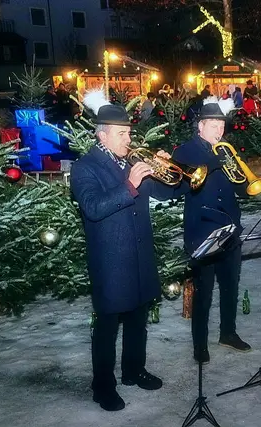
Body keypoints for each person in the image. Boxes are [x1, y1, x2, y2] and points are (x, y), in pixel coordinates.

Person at [71, 91, 186, 411]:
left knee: (138, 321)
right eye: (122, 134)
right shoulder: (85, 167)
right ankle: (102, 387)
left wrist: (171, 169)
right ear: (102, 136)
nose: (129, 139)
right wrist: (130, 184)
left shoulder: (132, 162)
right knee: (107, 328)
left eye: (129, 133)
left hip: (139, 256)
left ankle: (134, 370)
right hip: (110, 261)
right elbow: (93, 207)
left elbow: (164, 193)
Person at [172, 97, 252, 364]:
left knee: (230, 286)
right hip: (201, 231)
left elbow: (243, 188)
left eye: (222, 125)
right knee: (203, 292)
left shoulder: (227, 151)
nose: (219, 130)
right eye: (214, 125)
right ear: (200, 126)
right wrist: (217, 160)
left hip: (230, 230)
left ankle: (228, 333)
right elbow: (182, 184)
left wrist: (243, 177)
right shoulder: (185, 151)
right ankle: (200, 344)